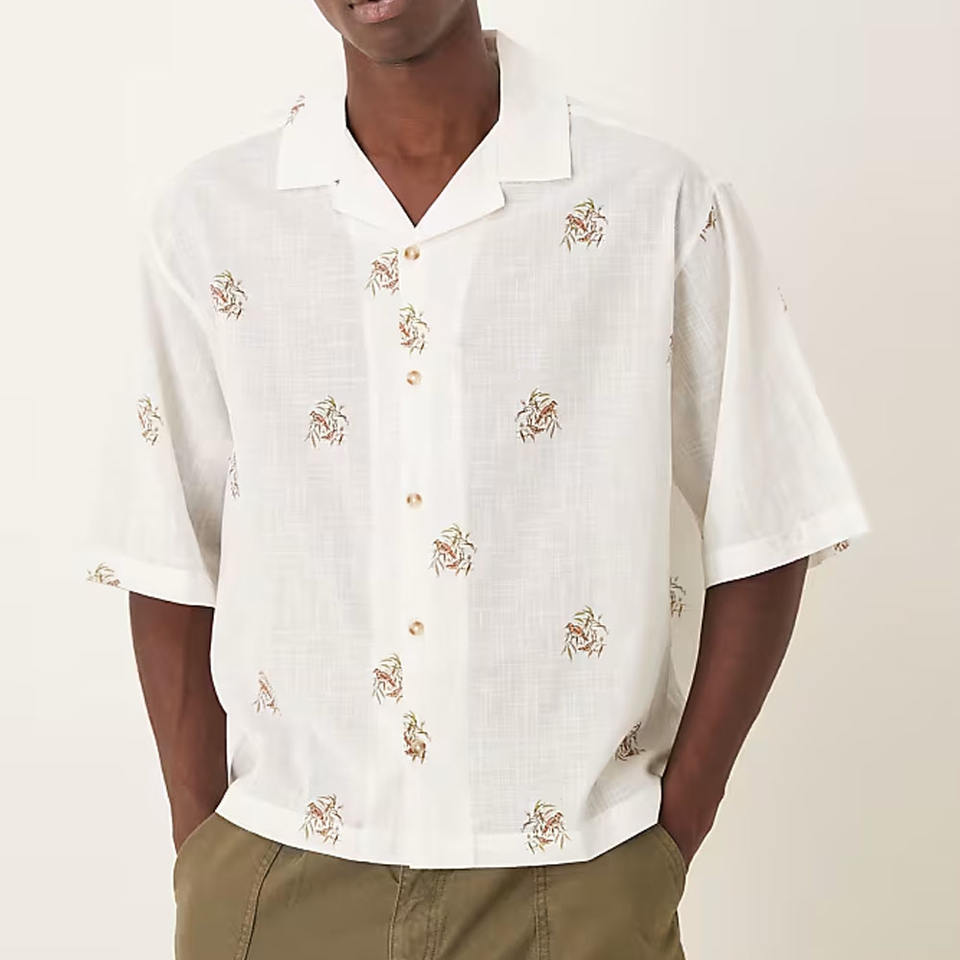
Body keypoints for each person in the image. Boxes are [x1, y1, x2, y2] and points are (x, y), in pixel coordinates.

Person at [81, 1, 871, 957]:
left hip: (579, 879)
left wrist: (667, 841)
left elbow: (770, 522)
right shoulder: (213, 220)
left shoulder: (655, 202)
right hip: (282, 869)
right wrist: (206, 850)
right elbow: (167, 548)